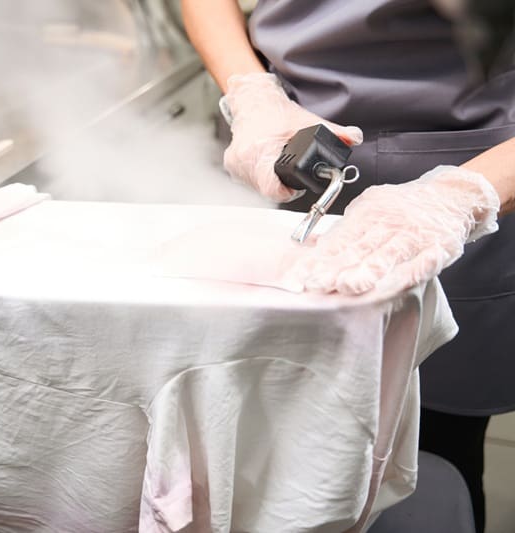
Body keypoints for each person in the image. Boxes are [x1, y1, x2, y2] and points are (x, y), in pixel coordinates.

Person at [180, 1, 515, 531]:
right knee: (268, 433)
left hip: (479, 163)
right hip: (288, 138)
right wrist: (250, 91)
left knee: (434, 445)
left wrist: (463, 197)